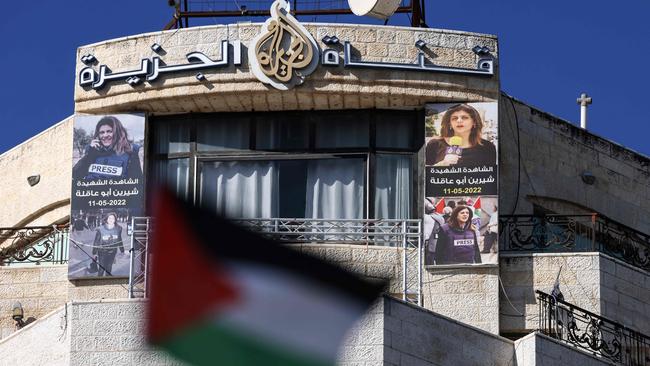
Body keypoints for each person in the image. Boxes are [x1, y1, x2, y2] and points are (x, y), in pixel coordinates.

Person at [73, 116, 143, 181]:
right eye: (102, 132)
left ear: (117, 132)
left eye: (109, 131)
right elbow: (76, 175)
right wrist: (90, 154)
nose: (105, 135)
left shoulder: (131, 150)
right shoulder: (92, 150)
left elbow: (136, 182)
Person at [425, 104, 496, 167]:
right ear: (450, 123)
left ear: (474, 122)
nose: (459, 121)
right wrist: (443, 163)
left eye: (464, 117)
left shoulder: (488, 147)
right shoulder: (434, 144)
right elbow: (423, 173)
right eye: (454, 118)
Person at [423, 198, 446, 265]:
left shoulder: (427, 218)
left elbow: (426, 235)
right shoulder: (440, 217)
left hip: (429, 245)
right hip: (437, 244)